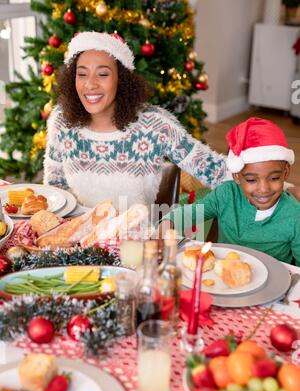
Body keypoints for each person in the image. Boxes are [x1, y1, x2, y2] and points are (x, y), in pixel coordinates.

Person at [43, 31, 227, 210]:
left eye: (103, 74)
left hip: (135, 238)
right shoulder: (61, 121)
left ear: (121, 80)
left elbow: (216, 171)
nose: (90, 84)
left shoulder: (155, 125)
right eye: (82, 74)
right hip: (79, 236)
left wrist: (250, 163)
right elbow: (54, 186)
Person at [159, 117, 300, 265]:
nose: (264, 189)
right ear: (236, 176)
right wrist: (169, 221)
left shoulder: (295, 216)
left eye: (274, 178)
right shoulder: (226, 194)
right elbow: (192, 213)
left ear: (285, 172)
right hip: (223, 280)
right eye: (251, 180)